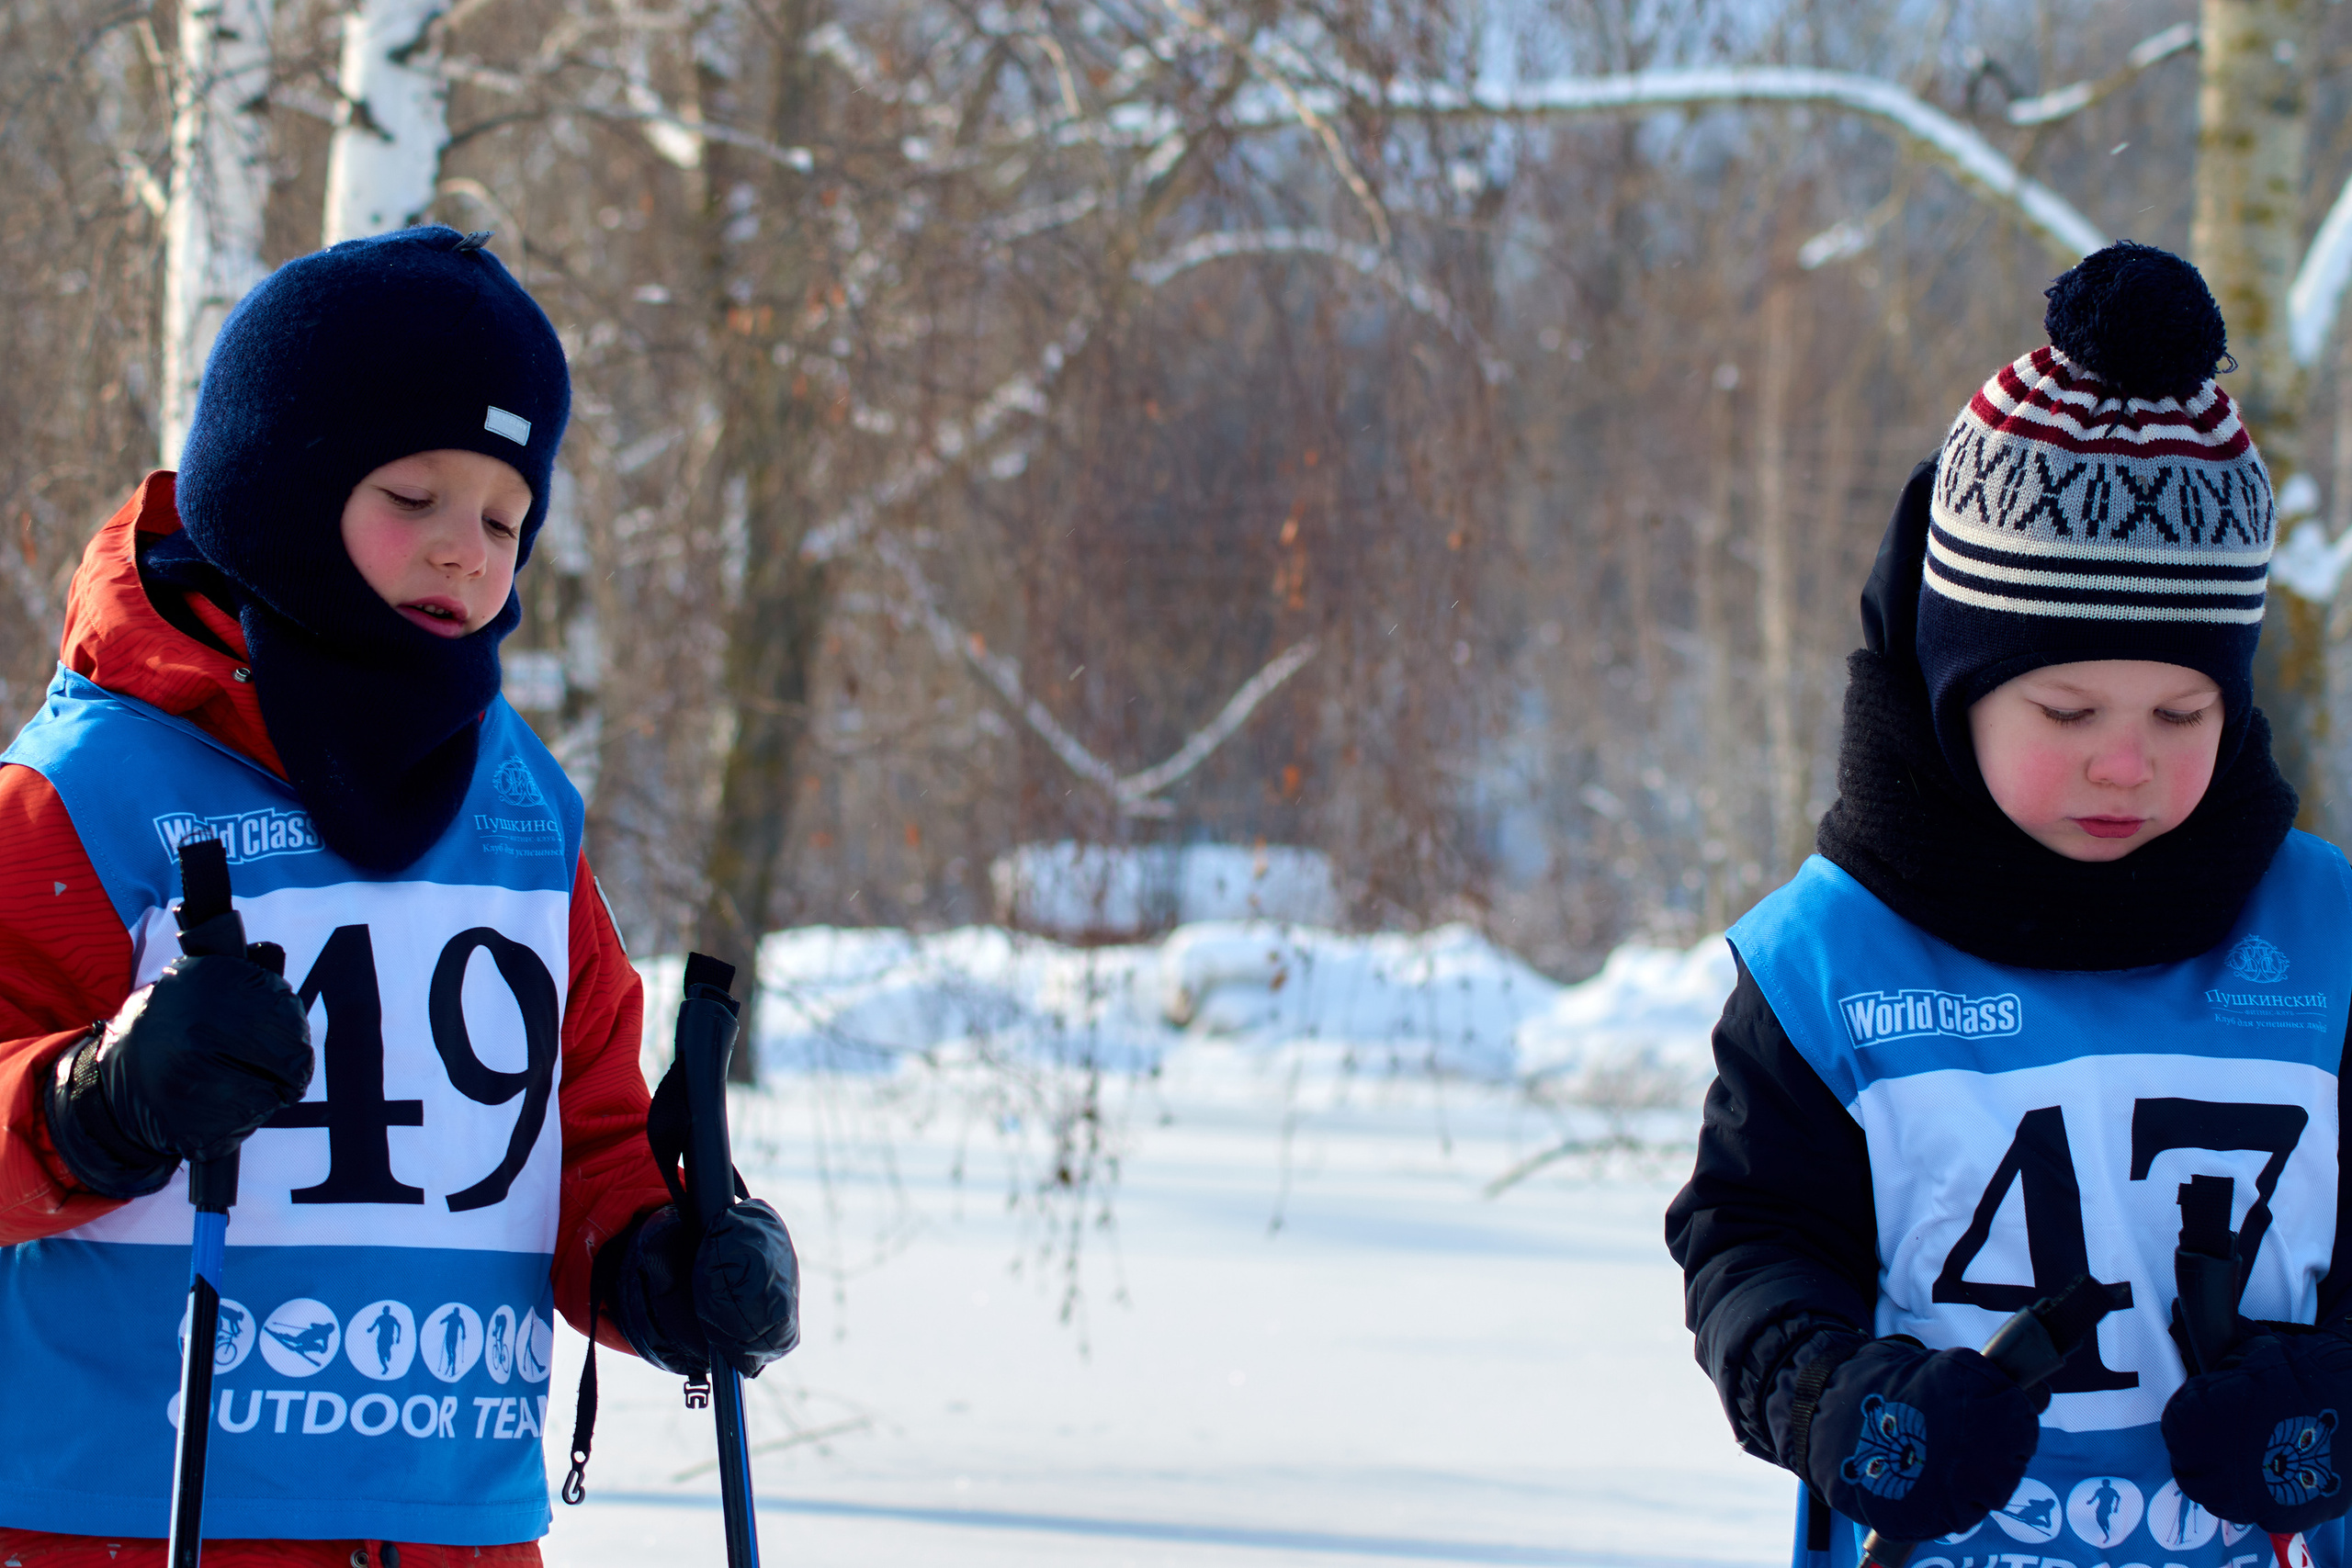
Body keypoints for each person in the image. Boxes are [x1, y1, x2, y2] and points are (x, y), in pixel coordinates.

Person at [0, 227, 799, 1567]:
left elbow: (580, 1141)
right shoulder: (88, 793)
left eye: (503, 518)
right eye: (412, 498)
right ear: (279, 490)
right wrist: (101, 1100)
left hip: (450, 1530)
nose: (464, 554)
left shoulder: (520, 812)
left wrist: (658, 1259)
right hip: (132, 1520)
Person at [1666, 241, 2352, 1568]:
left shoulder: (2325, 943)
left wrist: (2329, 1404)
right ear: (1956, 689)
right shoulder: (1831, 965)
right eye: (2068, 708)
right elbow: (1750, 1243)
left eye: (2182, 710)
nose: (2125, 758)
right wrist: (1837, 1401)